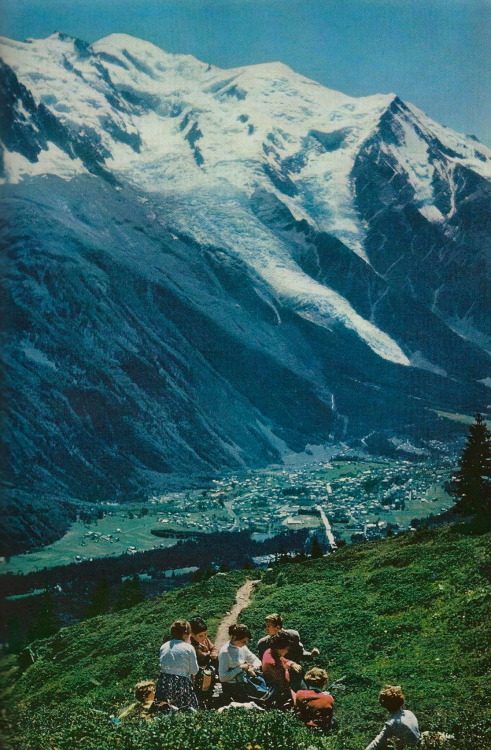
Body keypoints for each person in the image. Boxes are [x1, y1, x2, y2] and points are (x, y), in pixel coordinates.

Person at [154, 619, 199, 711]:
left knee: (165, 709)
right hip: (180, 683)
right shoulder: (189, 648)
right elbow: (194, 671)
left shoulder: (164, 646)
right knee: (185, 709)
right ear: (186, 634)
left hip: (164, 681)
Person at [218, 623, 265, 703]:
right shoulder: (225, 652)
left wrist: (252, 668)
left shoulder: (242, 647)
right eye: (243, 641)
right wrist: (240, 668)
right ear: (235, 638)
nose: (245, 644)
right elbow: (223, 677)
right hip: (232, 686)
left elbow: (257, 661)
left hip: (243, 682)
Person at [262, 631, 302, 709]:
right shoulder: (272, 663)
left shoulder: (270, 651)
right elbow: (283, 684)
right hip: (277, 690)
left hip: (280, 683)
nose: (287, 651)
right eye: (286, 649)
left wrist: (291, 664)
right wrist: (286, 669)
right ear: (279, 648)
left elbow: (282, 659)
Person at [189, 616, 218, 707]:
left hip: (208, 666)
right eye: (201, 636)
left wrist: (213, 652)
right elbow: (200, 655)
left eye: (205, 634)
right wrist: (210, 654)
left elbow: (214, 648)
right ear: (192, 634)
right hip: (197, 671)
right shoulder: (190, 646)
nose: (204, 637)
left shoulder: (205, 639)